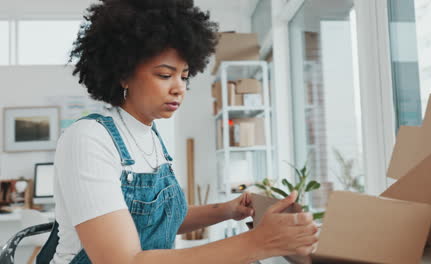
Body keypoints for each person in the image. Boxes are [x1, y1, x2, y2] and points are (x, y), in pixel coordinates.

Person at [39, 0, 319, 263]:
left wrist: (227, 211)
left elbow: (158, 218)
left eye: (184, 76)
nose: (179, 87)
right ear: (123, 73)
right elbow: (124, 260)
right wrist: (259, 241)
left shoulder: (150, 137)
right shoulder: (89, 139)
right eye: (164, 75)